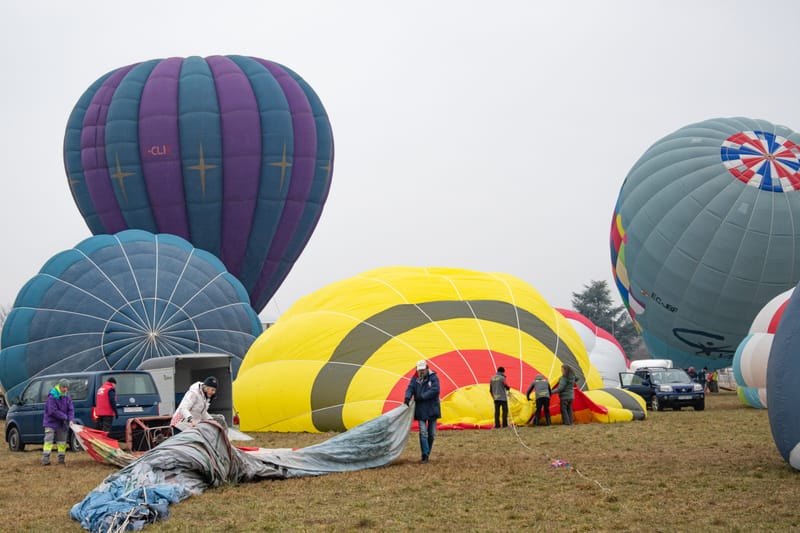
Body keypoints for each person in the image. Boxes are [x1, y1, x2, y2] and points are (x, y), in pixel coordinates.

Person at [404, 360, 441, 464]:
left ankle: (427, 452)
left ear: (427, 368)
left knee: (432, 434)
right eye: (419, 370)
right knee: (423, 432)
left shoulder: (433, 377)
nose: (421, 372)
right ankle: (425, 455)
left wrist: (422, 396)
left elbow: (436, 390)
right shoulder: (415, 378)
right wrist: (407, 397)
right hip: (421, 409)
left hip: (432, 408)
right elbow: (410, 388)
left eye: (423, 370)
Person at [42, 379, 75, 466]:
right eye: (64, 387)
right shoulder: (52, 397)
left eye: (66, 388)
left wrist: (71, 419)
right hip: (51, 423)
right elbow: (52, 411)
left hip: (62, 423)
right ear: (60, 386)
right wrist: (65, 417)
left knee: (62, 442)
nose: (65, 389)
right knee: (48, 441)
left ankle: (61, 459)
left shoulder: (67, 397)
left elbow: (71, 409)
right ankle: (45, 459)